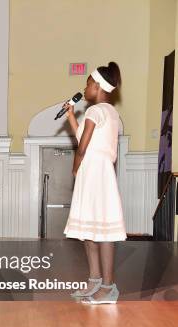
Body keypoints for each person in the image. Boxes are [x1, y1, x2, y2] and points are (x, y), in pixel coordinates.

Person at [63, 62, 126, 305]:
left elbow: (83, 145)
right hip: (102, 171)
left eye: (88, 82)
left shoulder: (94, 111)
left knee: (102, 233)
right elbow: (85, 136)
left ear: (98, 86)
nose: (86, 86)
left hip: (93, 171)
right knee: (92, 230)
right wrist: (70, 115)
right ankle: (95, 282)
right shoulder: (110, 112)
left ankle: (108, 287)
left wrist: (75, 167)